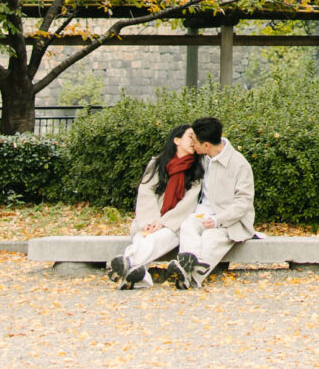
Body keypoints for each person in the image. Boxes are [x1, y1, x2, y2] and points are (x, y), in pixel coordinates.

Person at [107, 123, 204, 290]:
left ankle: (129, 262)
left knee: (156, 237)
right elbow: (146, 191)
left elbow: (189, 202)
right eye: (190, 136)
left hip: (175, 223)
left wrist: (163, 222)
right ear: (176, 140)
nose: (193, 141)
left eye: (195, 138)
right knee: (143, 235)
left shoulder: (197, 169)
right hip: (150, 217)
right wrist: (151, 221)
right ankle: (138, 276)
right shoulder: (158, 163)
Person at [171, 115, 255, 289]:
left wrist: (219, 219)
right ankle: (188, 263)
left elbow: (244, 202)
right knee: (188, 225)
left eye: (195, 141)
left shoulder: (239, 164)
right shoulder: (202, 159)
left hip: (230, 219)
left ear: (206, 145)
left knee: (212, 236)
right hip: (204, 212)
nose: (192, 144)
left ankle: (190, 276)